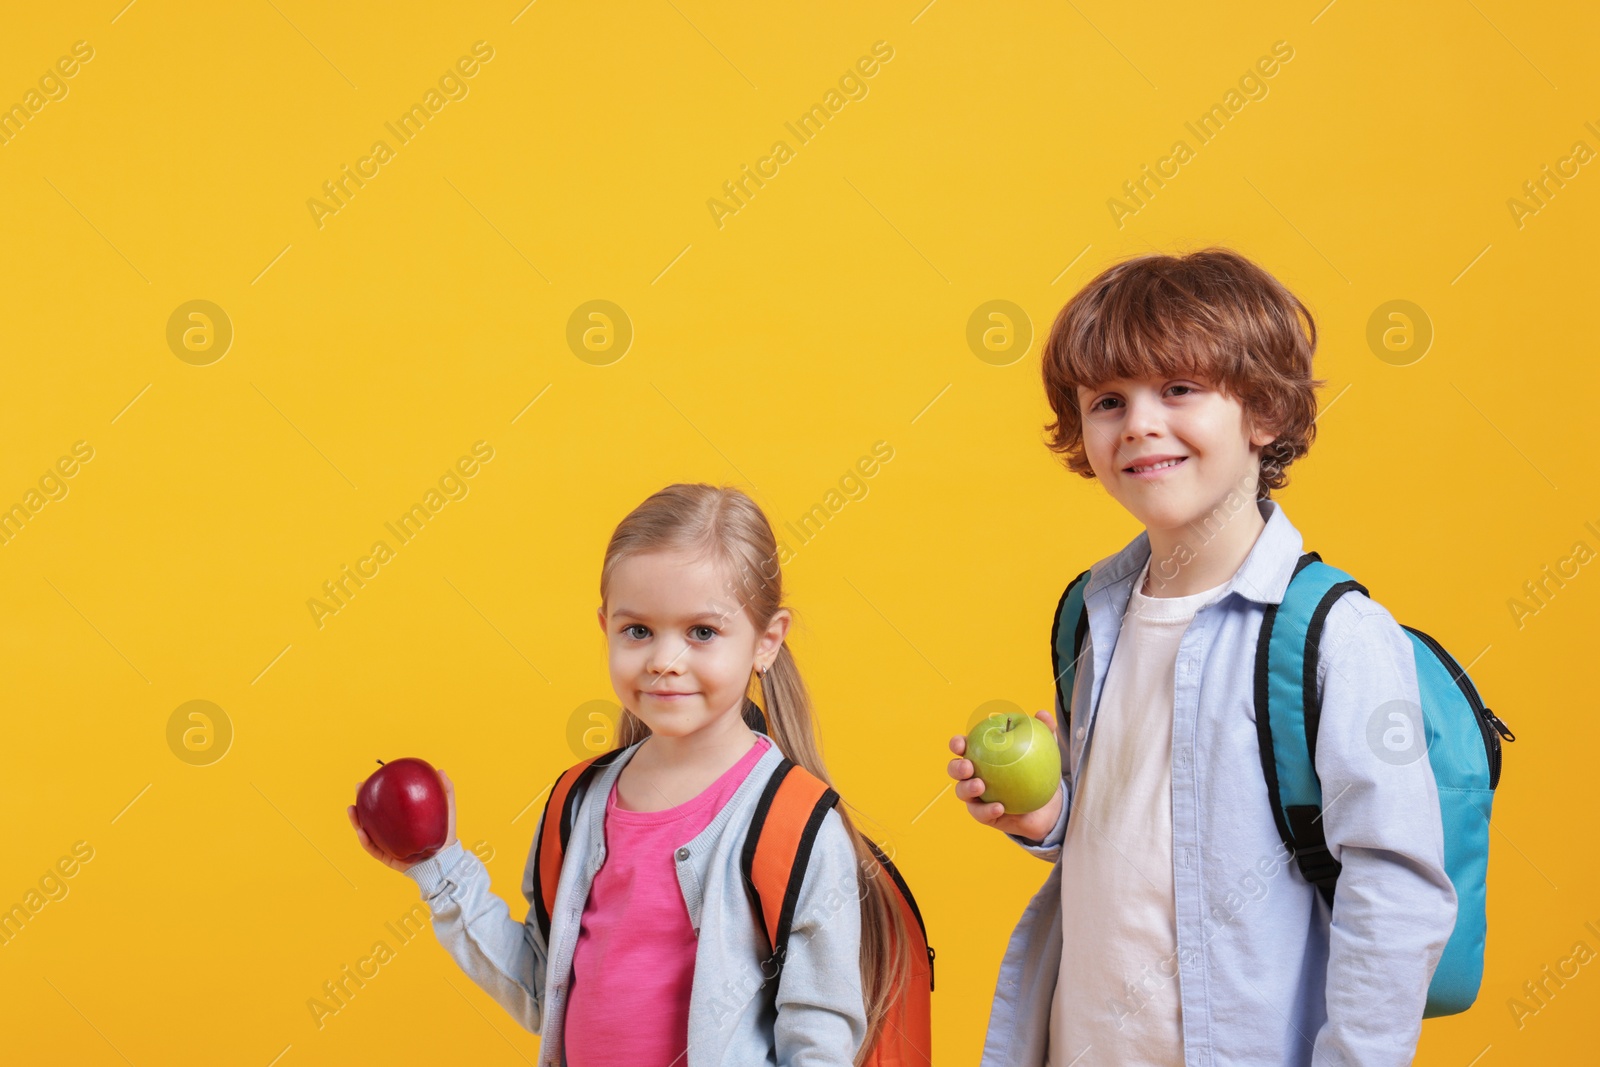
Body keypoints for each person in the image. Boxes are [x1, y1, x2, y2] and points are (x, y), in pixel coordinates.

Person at [948, 248, 1458, 1066]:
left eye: (1178, 389)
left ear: (1262, 412)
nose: (1141, 423)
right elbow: (1142, 830)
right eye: (1109, 400)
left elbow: (1395, 893)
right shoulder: (1091, 612)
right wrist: (1049, 818)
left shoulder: (1335, 633)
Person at [348, 482, 911, 1066]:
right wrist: (439, 869)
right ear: (605, 627)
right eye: (638, 630)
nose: (664, 661)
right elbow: (545, 991)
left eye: (702, 632)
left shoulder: (795, 824)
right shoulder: (578, 802)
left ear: (766, 642)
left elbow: (819, 1034)